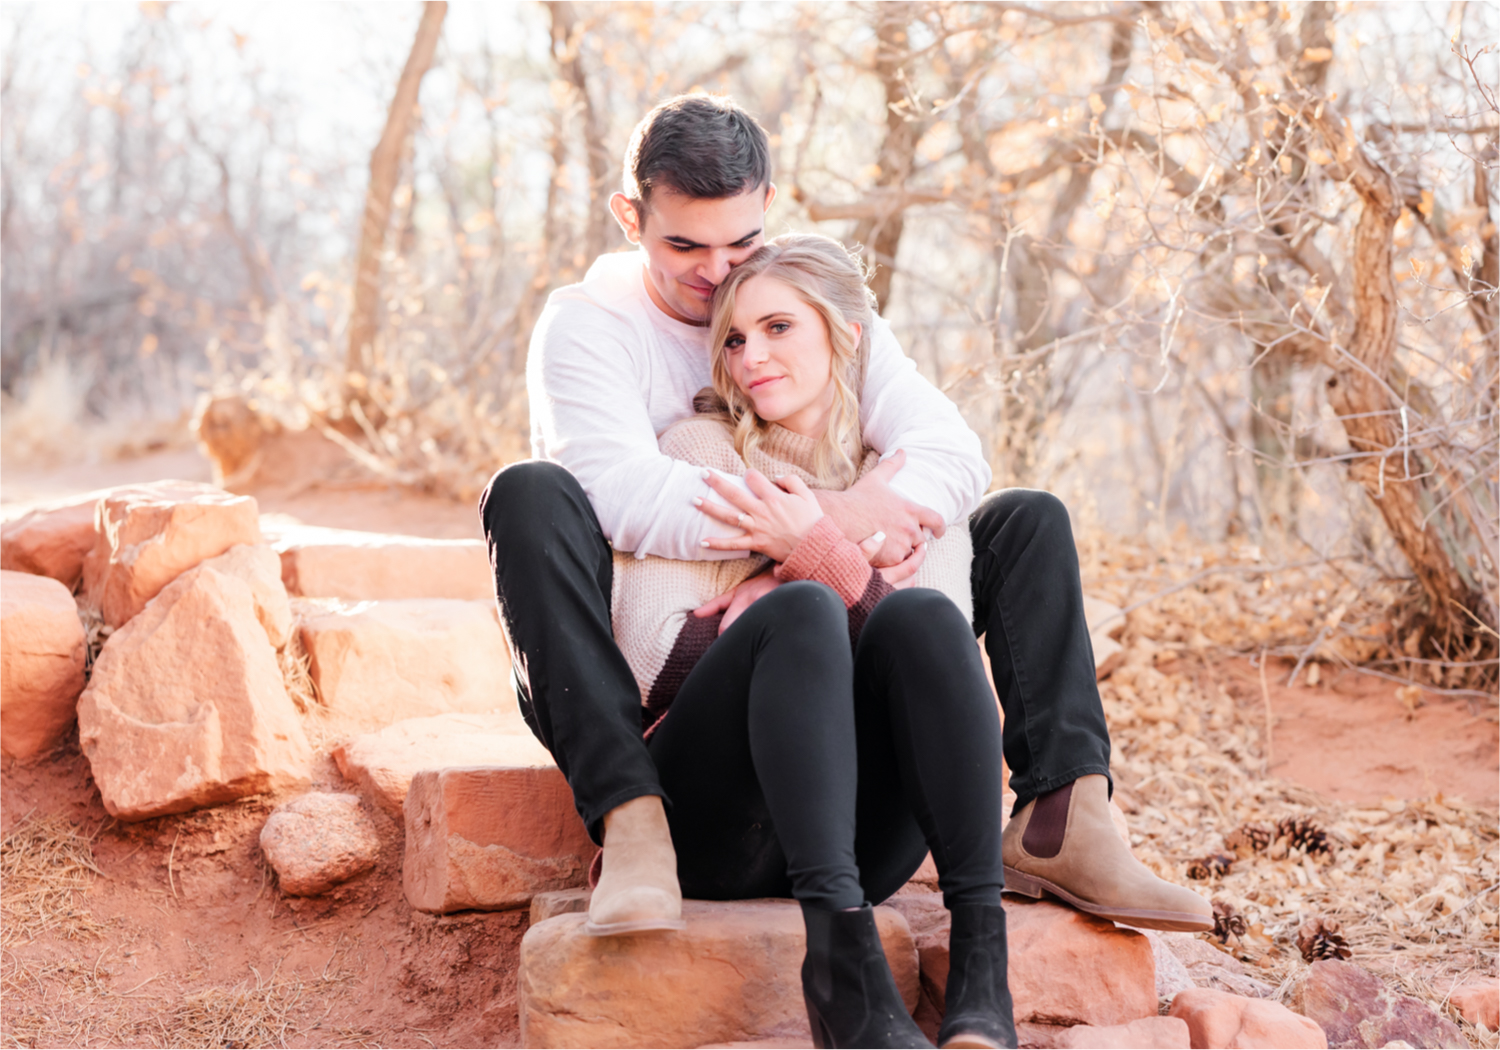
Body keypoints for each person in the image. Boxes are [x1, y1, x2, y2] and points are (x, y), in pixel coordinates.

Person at [480, 94, 1211, 1049]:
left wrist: (822, 539)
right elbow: (620, 493)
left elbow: (951, 458)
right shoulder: (594, 329)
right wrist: (830, 541)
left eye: (740, 247)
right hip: (692, 722)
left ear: (773, 210)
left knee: (1022, 524)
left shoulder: (818, 304)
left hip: (861, 777)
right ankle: (631, 815)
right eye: (686, 251)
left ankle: (1064, 818)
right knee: (532, 495)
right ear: (632, 220)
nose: (719, 285)